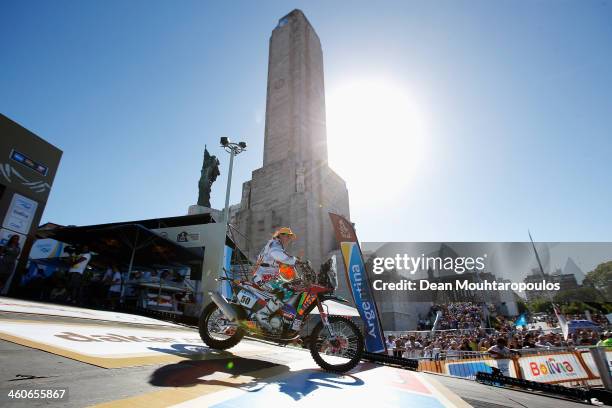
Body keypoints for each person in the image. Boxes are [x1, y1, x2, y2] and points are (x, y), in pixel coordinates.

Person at [252, 227, 300, 331]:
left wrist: (297, 277)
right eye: (287, 236)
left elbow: (286, 265)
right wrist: (295, 260)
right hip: (262, 277)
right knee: (286, 290)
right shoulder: (275, 245)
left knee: (290, 286)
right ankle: (262, 314)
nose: (289, 239)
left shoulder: (278, 247)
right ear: (281, 235)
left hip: (268, 277)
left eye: (290, 237)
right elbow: (278, 255)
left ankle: (276, 318)